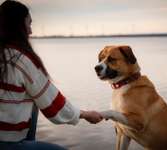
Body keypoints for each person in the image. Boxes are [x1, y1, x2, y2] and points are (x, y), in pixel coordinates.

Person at [0, 0, 103, 149]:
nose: (31, 31)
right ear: (18, 27)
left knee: (32, 97)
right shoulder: (20, 59)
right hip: (6, 143)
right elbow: (53, 104)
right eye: (28, 24)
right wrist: (86, 114)